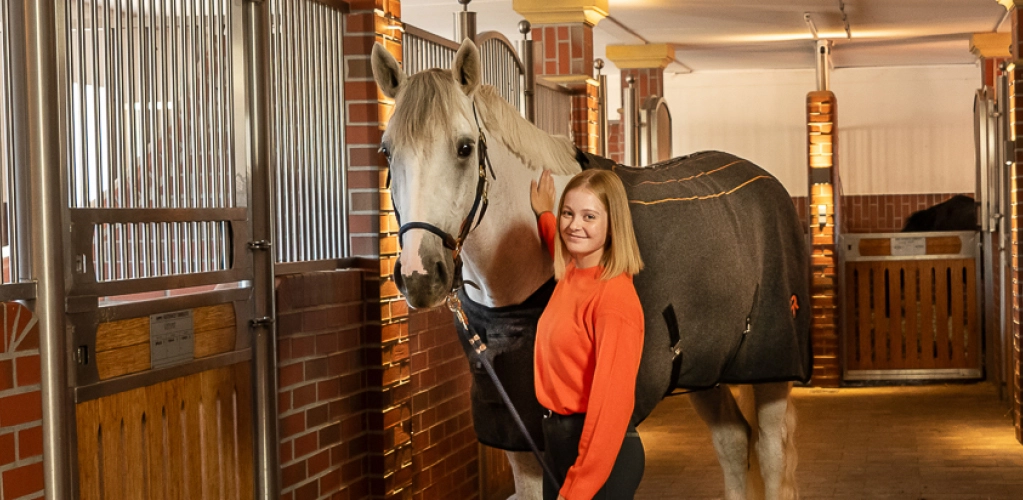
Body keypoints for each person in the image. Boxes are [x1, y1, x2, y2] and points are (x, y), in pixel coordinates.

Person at [529, 168, 646, 500]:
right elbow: (558, 237)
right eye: (568, 213)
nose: (573, 225)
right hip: (559, 446)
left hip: (598, 456)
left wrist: (578, 489)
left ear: (612, 226)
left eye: (589, 216)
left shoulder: (614, 300)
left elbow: (611, 407)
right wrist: (545, 214)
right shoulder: (573, 270)